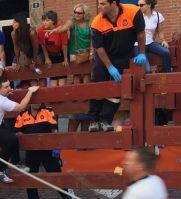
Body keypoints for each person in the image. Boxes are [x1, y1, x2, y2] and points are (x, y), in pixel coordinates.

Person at [88, 0, 147, 133]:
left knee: (117, 89)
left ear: (113, 3)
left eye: (102, 3)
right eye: (99, 3)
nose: (99, 6)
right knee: (97, 85)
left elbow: (141, 34)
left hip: (124, 56)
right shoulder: (97, 22)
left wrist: (142, 53)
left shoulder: (133, 11)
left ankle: (105, 121)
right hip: (104, 58)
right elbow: (99, 48)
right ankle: (93, 120)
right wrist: (109, 67)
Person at [0, 76, 39, 183]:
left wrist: (5, 92)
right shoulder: (0, 101)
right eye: (6, 87)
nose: (10, 89)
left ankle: (14, 163)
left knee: (10, 139)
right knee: (12, 139)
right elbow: (21, 107)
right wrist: (30, 91)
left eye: (9, 85)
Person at [14, 102, 72, 199]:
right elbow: (17, 132)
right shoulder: (22, 114)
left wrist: (56, 148)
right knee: (30, 174)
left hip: (47, 149)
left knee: (55, 172)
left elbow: (54, 130)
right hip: (31, 150)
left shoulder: (48, 111)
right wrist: (29, 140)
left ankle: (65, 194)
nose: (38, 103)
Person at [51, 3, 93, 132]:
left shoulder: (89, 24)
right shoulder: (72, 22)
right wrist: (56, 30)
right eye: (75, 12)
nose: (76, 14)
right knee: (75, 77)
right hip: (74, 53)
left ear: (84, 14)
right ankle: (76, 102)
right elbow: (64, 27)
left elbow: (92, 38)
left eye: (79, 13)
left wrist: (91, 51)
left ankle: (84, 101)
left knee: (86, 77)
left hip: (86, 53)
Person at [138, 0, 171, 72]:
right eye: (138, 5)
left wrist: (163, 40)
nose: (139, 7)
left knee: (166, 52)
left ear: (149, 5)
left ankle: (167, 75)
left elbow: (160, 31)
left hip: (150, 42)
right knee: (147, 69)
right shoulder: (137, 16)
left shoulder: (158, 16)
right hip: (138, 44)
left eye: (141, 5)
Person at [38, 10, 69, 86]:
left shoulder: (60, 29)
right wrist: (47, 58)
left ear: (53, 21)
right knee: (53, 84)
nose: (44, 22)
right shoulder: (41, 31)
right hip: (50, 55)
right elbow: (43, 45)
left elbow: (64, 45)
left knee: (62, 83)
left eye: (47, 20)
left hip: (61, 53)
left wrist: (65, 58)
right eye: (43, 20)